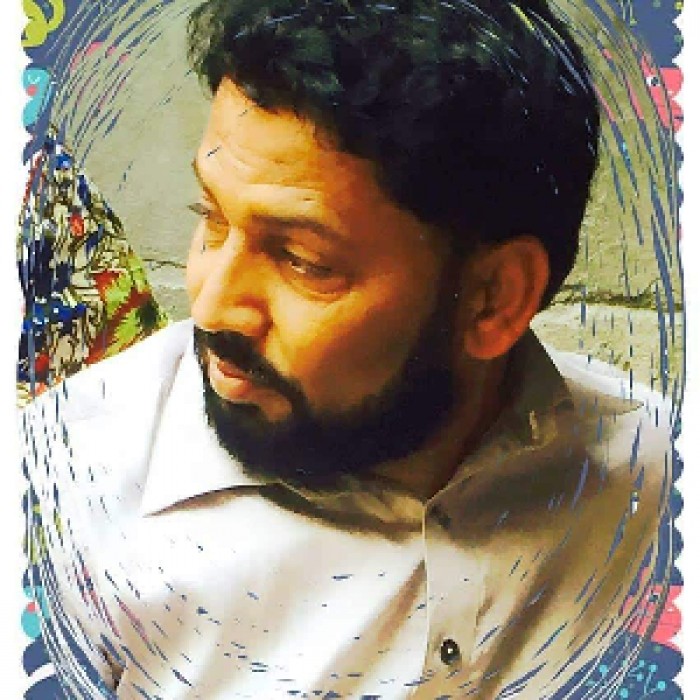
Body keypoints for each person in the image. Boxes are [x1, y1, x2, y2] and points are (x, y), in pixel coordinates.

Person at [21, 0, 673, 697]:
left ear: (493, 298)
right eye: (211, 218)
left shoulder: (656, 488)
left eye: (302, 261)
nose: (209, 305)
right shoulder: (56, 509)